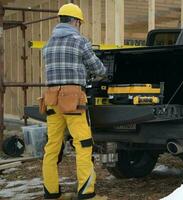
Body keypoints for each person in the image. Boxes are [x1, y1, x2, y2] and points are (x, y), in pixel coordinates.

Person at [41, 3, 106, 199]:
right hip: (73, 100)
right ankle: (87, 194)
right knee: (83, 144)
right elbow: (99, 69)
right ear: (76, 21)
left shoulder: (48, 44)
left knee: (52, 147)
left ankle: (51, 193)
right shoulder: (80, 41)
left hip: (51, 99)